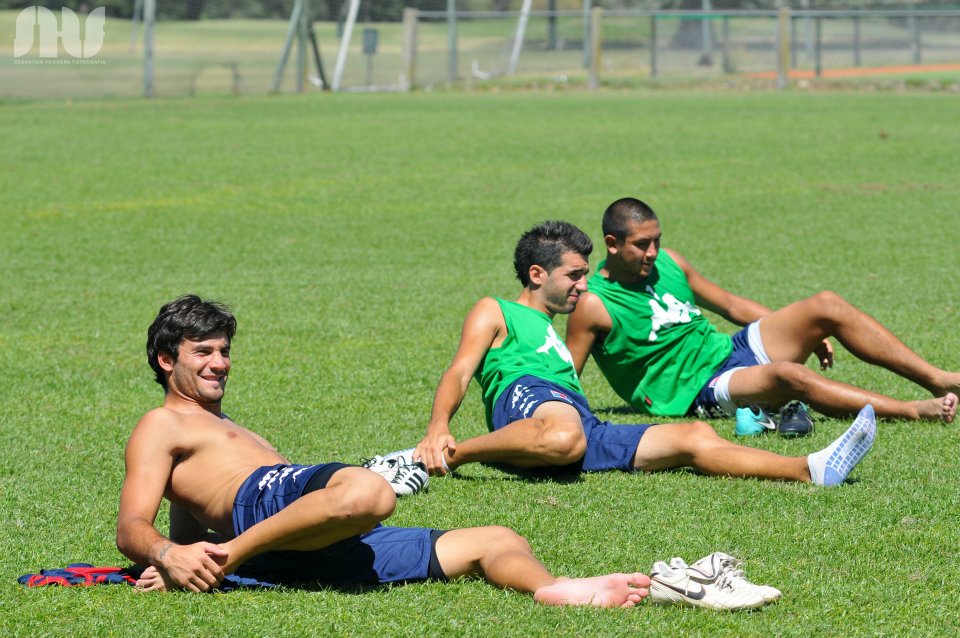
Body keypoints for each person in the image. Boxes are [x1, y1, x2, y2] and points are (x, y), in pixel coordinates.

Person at [116, 294, 652, 608]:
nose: (219, 363)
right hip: (268, 516)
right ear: (166, 360)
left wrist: (185, 557)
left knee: (497, 539)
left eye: (224, 351)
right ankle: (236, 555)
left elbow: (189, 519)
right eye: (203, 352)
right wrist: (168, 555)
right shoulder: (162, 423)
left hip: (302, 540)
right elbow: (132, 527)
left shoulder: (223, 426)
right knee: (370, 490)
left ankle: (553, 589)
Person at [372, 221, 875, 490]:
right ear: (537, 275)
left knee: (694, 437)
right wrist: (438, 428)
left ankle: (810, 469)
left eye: (585, 274)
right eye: (574, 275)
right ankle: (441, 457)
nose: (583, 285)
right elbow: (460, 371)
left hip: (577, 418)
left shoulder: (553, 329)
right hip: (528, 398)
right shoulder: (496, 310)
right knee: (563, 434)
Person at [564, 197, 959, 423]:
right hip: (699, 391)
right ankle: (912, 411)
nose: (652, 252)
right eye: (641, 244)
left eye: (657, 240)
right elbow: (567, 376)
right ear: (612, 244)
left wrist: (805, 332)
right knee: (789, 374)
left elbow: (731, 304)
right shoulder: (593, 303)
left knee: (826, 305)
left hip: (729, 351)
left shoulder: (670, 262)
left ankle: (938, 379)